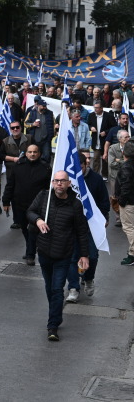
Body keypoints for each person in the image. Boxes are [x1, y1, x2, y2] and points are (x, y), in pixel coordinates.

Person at [28, 171, 91, 341]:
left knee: (57, 289)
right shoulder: (44, 197)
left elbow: (81, 232)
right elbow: (30, 211)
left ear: (69, 183)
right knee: (50, 288)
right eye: (56, 181)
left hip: (63, 255)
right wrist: (38, 220)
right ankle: (55, 313)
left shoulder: (75, 204)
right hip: (44, 252)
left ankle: (53, 326)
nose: (59, 184)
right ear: (52, 182)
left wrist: (84, 255)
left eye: (63, 181)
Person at [64, 151, 108, 302]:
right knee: (72, 257)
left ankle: (88, 279)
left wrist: (103, 218)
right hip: (71, 226)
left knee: (92, 256)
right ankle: (73, 288)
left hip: (91, 226)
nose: (78, 171)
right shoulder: (67, 179)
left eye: (81, 168)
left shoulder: (96, 179)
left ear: (85, 165)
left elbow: (104, 201)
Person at [2, 144, 52, 265]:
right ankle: (31, 246)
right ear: (26, 153)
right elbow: (10, 184)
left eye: (35, 152)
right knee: (24, 228)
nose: (32, 154)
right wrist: (6, 201)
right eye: (30, 152)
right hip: (20, 203)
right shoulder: (18, 166)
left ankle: (30, 254)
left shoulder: (45, 168)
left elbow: (49, 188)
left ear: (39, 154)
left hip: (37, 206)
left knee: (33, 229)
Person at [114, 143, 134, 265]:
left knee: (129, 228)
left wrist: (121, 201)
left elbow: (126, 186)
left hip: (129, 203)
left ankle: (132, 253)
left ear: (123, 153)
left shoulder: (126, 167)